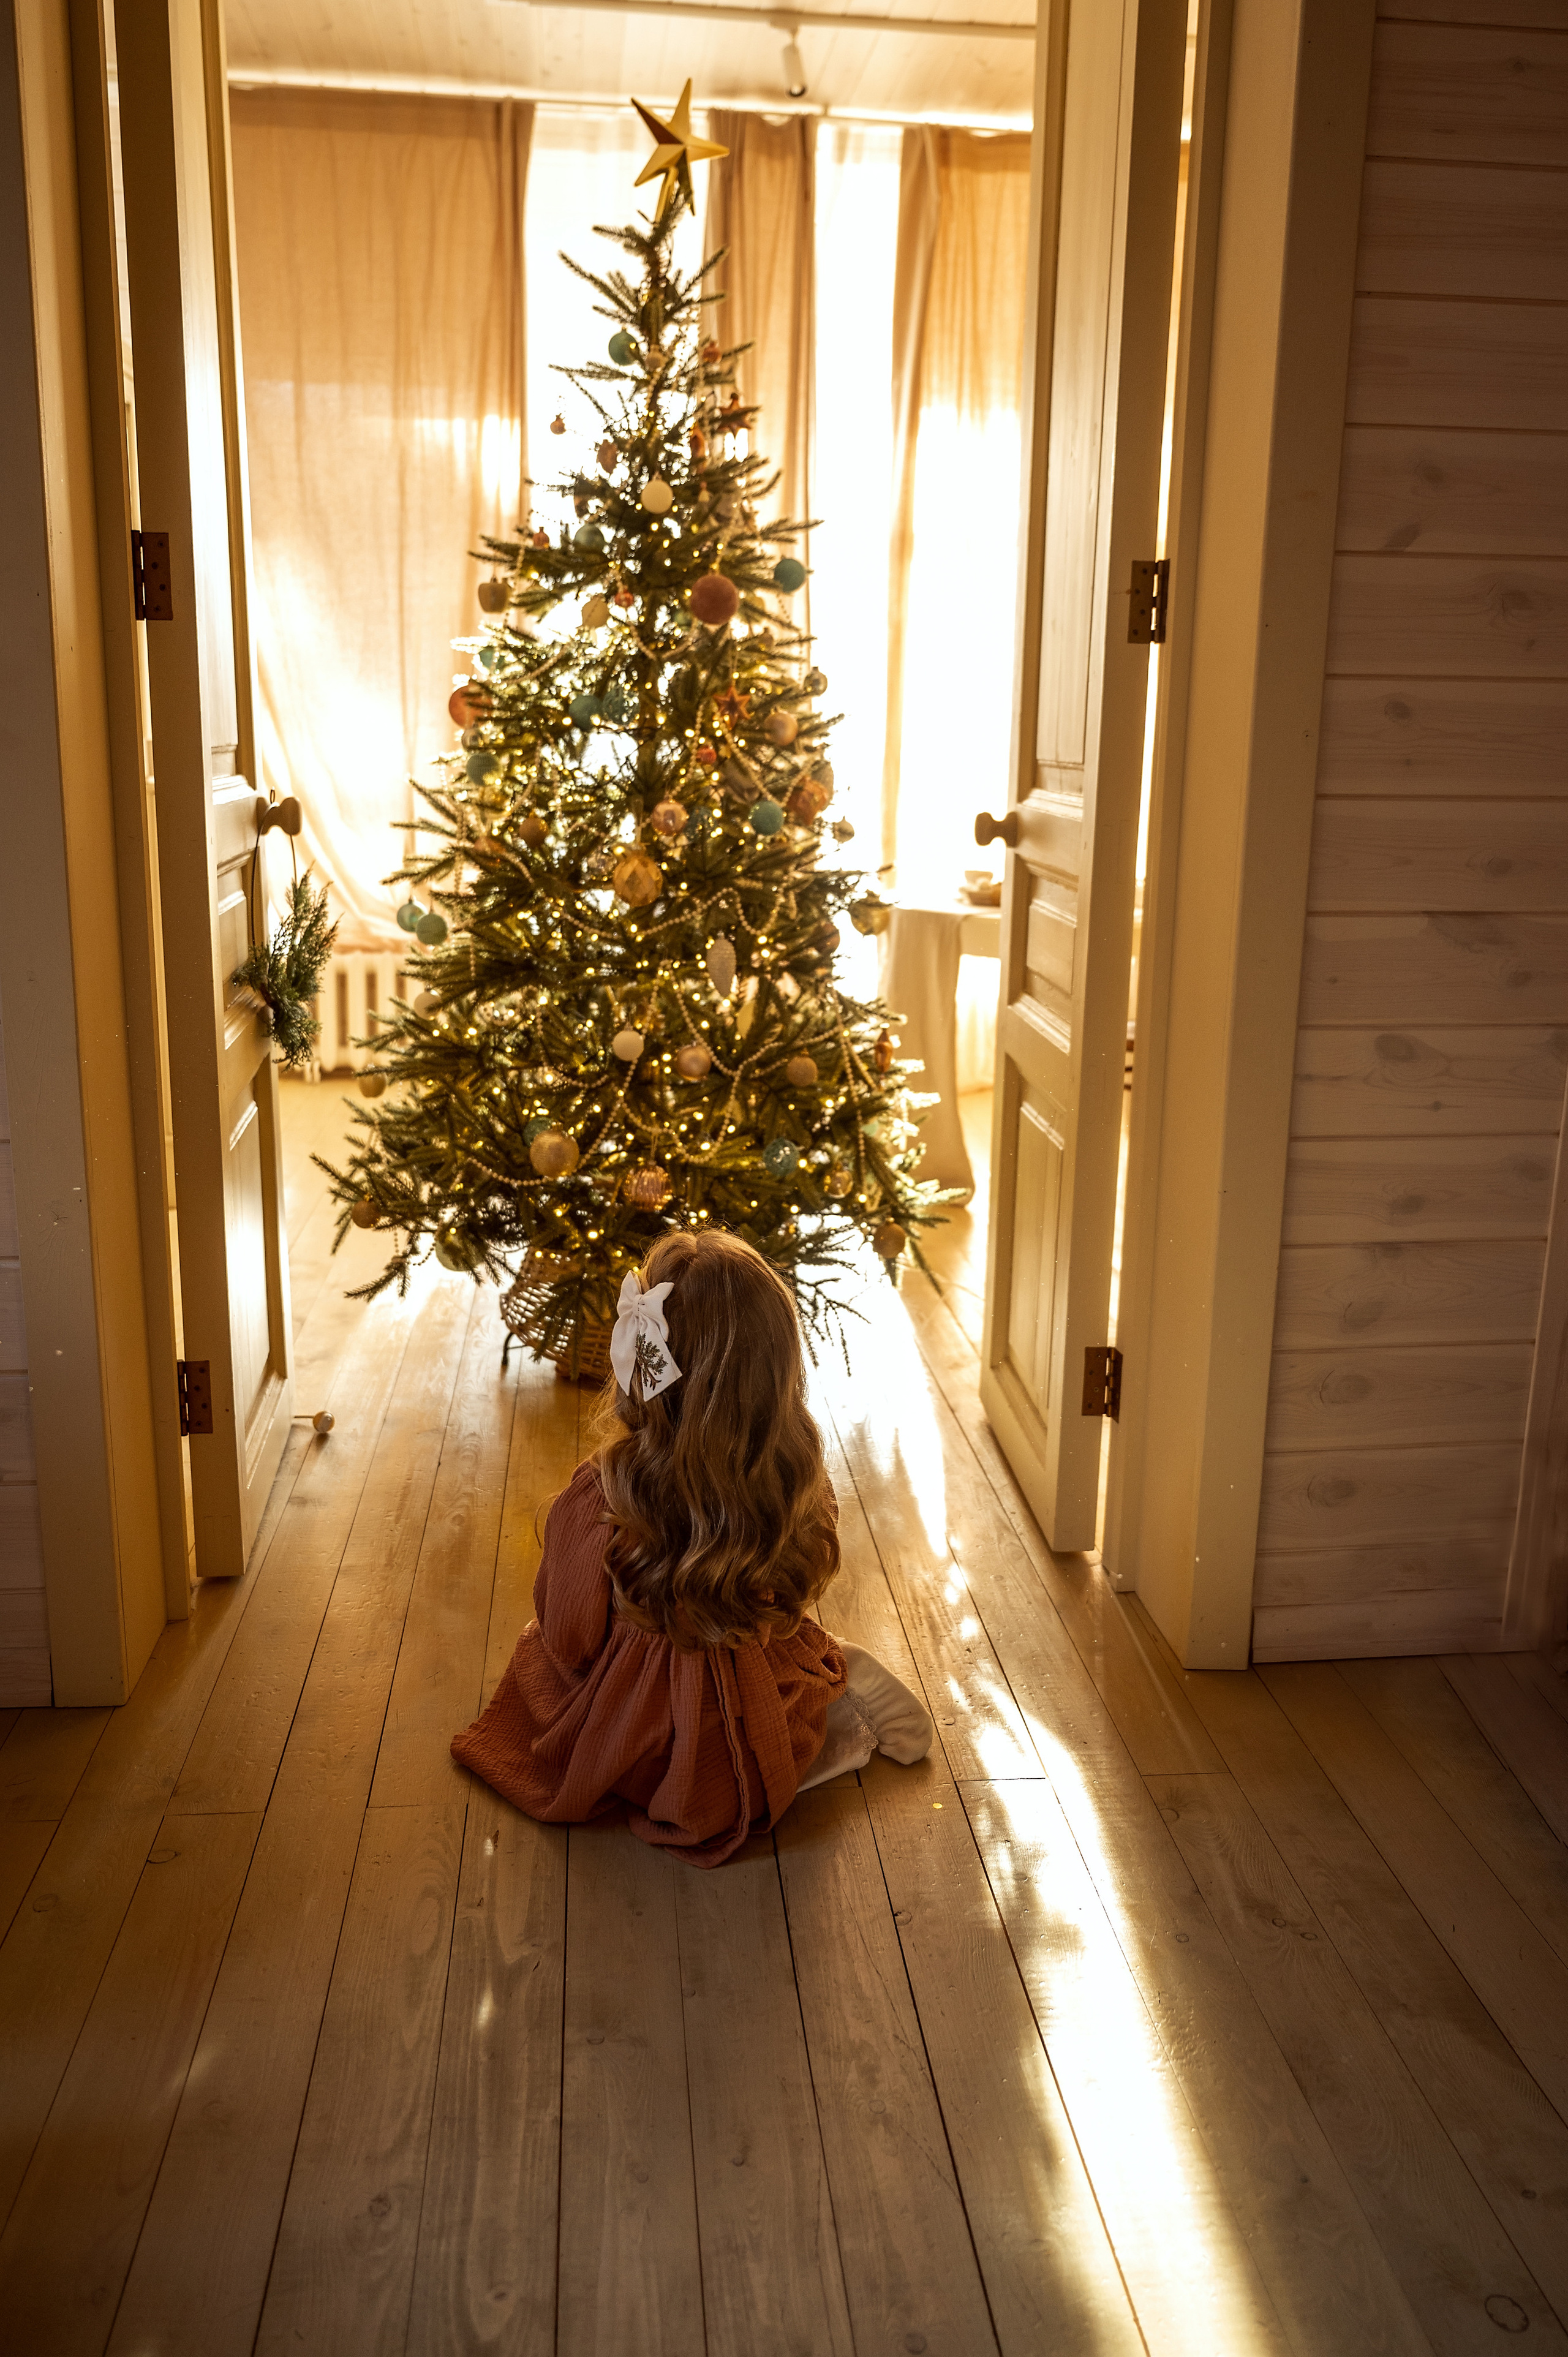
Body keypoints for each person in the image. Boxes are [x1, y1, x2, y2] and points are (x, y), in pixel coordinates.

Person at [452, 1228, 933, 1866]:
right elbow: (797, 1590)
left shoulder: (604, 1494)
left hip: (630, 1745)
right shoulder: (794, 1481)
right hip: (743, 1714)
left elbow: (568, 1634)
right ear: (777, 1369)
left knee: (544, 1663)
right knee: (780, 1687)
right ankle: (833, 1708)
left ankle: (828, 1714)